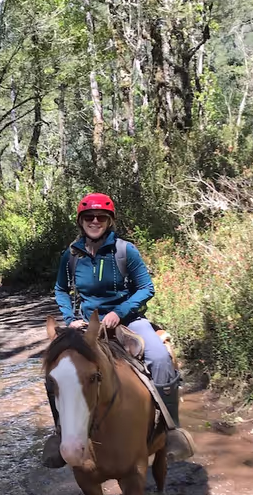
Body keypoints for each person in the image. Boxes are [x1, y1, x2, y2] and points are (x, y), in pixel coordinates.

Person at [42, 192, 196, 468]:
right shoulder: (72, 254)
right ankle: (60, 434)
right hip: (86, 325)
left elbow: (146, 287)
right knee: (55, 371)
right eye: (89, 217)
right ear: (81, 221)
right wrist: (70, 317)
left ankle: (172, 431)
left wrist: (118, 312)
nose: (95, 221)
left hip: (127, 320)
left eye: (101, 217)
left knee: (160, 358)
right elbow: (61, 289)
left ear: (109, 220)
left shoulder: (125, 251)